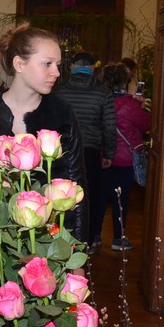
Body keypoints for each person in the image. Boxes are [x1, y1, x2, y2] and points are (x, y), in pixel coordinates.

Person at [0, 23, 88, 242]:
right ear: (19, 64)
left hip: (49, 239)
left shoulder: (62, 115)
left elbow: (77, 182)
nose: (56, 72)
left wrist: (77, 246)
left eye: (58, 65)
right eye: (47, 64)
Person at [53, 51, 116, 255]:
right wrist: (109, 153)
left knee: (62, 195)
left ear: (71, 67)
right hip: (90, 150)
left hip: (63, 149)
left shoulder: (59, 90)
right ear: (93, 68)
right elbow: (109, 126)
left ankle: (62, 239)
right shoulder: (103, 92)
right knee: (90, 196)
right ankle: (89, 239)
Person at [98, 62, 151, 251]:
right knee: (121, 200)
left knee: (99, 199)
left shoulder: (100, 101)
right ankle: (118, 238)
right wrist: (142, 105)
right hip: (125, 159)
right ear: (125, 80)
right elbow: (147, 125)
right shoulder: (131, 105)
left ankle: (94, 237)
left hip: (102, 156)